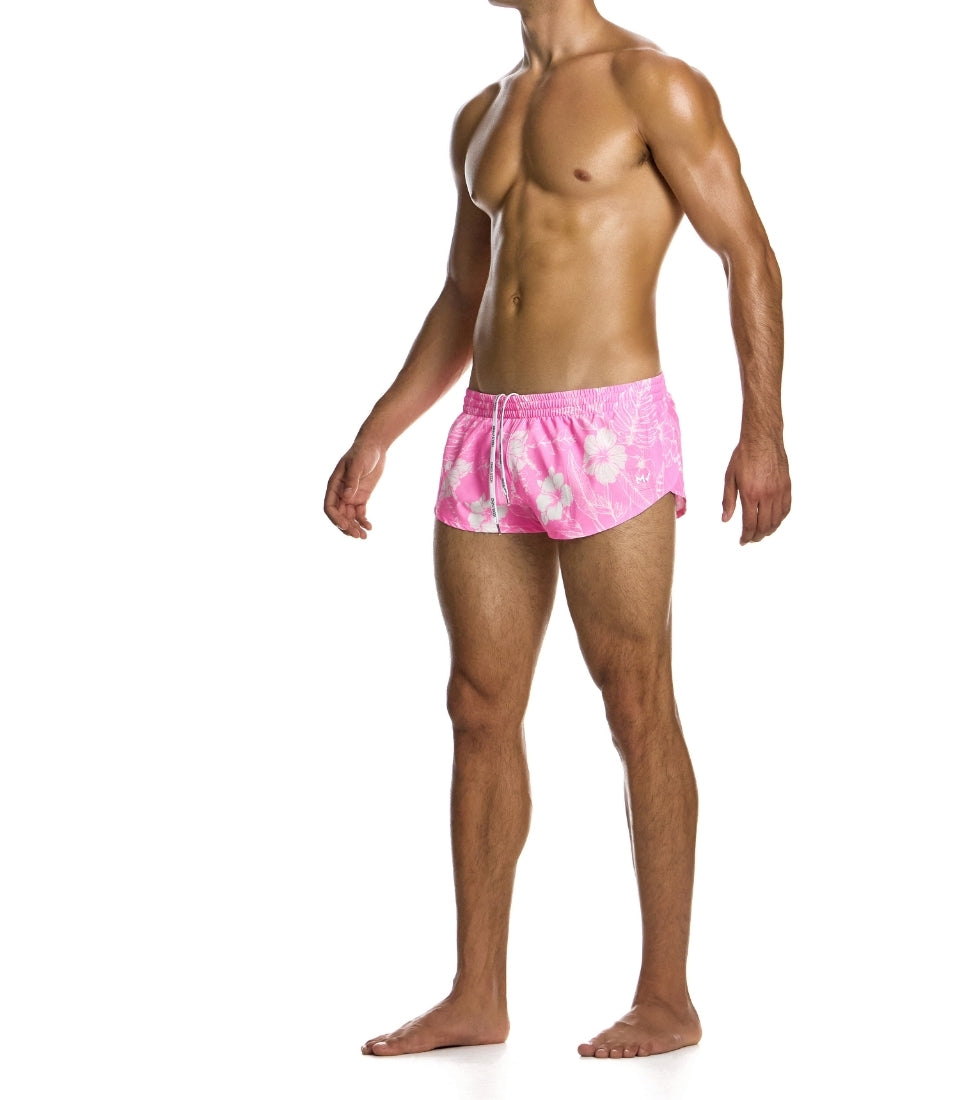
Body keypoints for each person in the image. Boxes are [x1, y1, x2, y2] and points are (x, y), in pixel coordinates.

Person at [324, 0, 790, 1060]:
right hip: (490, 433)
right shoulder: (482, 114)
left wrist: (761, 429)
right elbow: (463, 292)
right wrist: (379, 430)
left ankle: (665, 996)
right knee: (476, 704)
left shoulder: (650, 83)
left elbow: (748, 254)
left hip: (608, 428)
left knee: (635, 698)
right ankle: (475, 993)